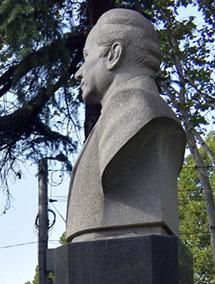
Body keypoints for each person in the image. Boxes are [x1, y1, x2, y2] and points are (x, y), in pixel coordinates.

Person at [66, 8, 186, 243]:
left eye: (86, 56)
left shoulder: (141, 113)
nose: (78, 73)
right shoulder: (127, 114)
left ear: (114, 54)